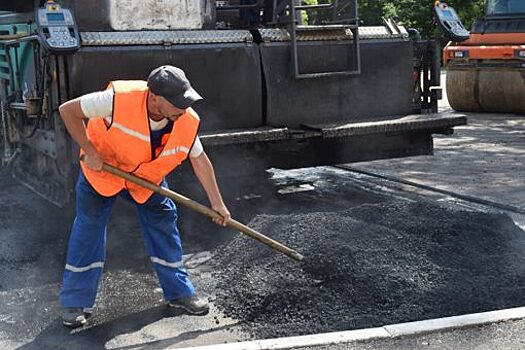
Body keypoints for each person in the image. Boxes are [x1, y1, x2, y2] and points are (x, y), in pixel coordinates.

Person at [58, 65, 231, 328]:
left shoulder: (184, 119)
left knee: (164, 218)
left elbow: (200, 160)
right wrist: (89, 150)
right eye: (176, 104)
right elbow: (68, 111)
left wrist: (217, 203)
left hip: (145, 179)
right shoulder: (116, 100)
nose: (182, 110)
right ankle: (74, 303)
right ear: (154, 97)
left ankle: (179, 293)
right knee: (89, 227)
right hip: (104, 171)